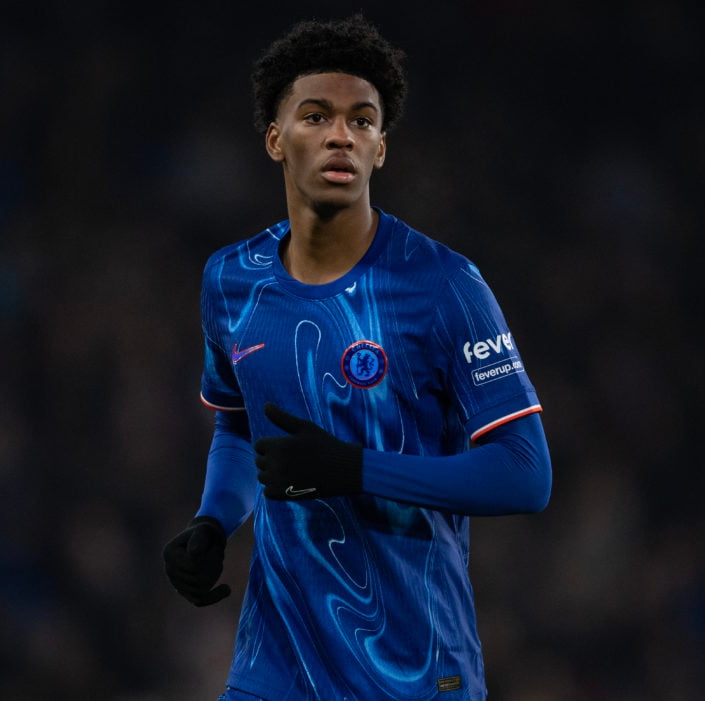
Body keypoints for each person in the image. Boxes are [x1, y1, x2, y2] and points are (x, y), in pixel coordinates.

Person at [163, 14, 552, 701]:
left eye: (363, 120)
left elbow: (526, 474)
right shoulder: (231, 281)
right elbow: (238, 425)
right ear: (276, 140)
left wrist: (354, 470)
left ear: (380, 149)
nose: (341, 133)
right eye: (316, 116)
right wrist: (214, 518)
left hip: (413, 669)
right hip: (275, 666)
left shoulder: (444, 285)